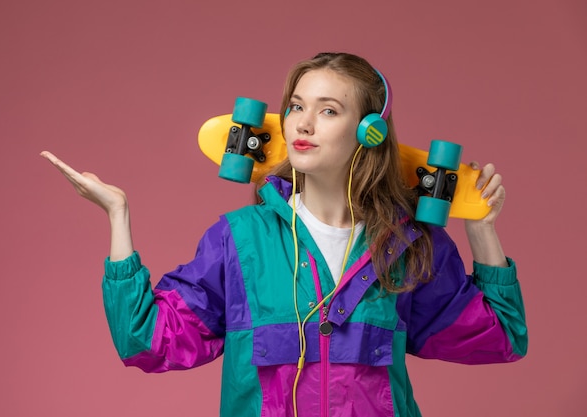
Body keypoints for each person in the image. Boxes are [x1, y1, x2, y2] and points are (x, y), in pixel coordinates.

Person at [41, 52, 527, 417]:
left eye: (329, 110)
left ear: (369, 131)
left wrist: (480, 229)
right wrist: (117, 214)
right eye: (296, 106)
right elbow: (145, 341)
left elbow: (500, 339)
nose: (304, 123)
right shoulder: (239, 240)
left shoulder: (407, 246)